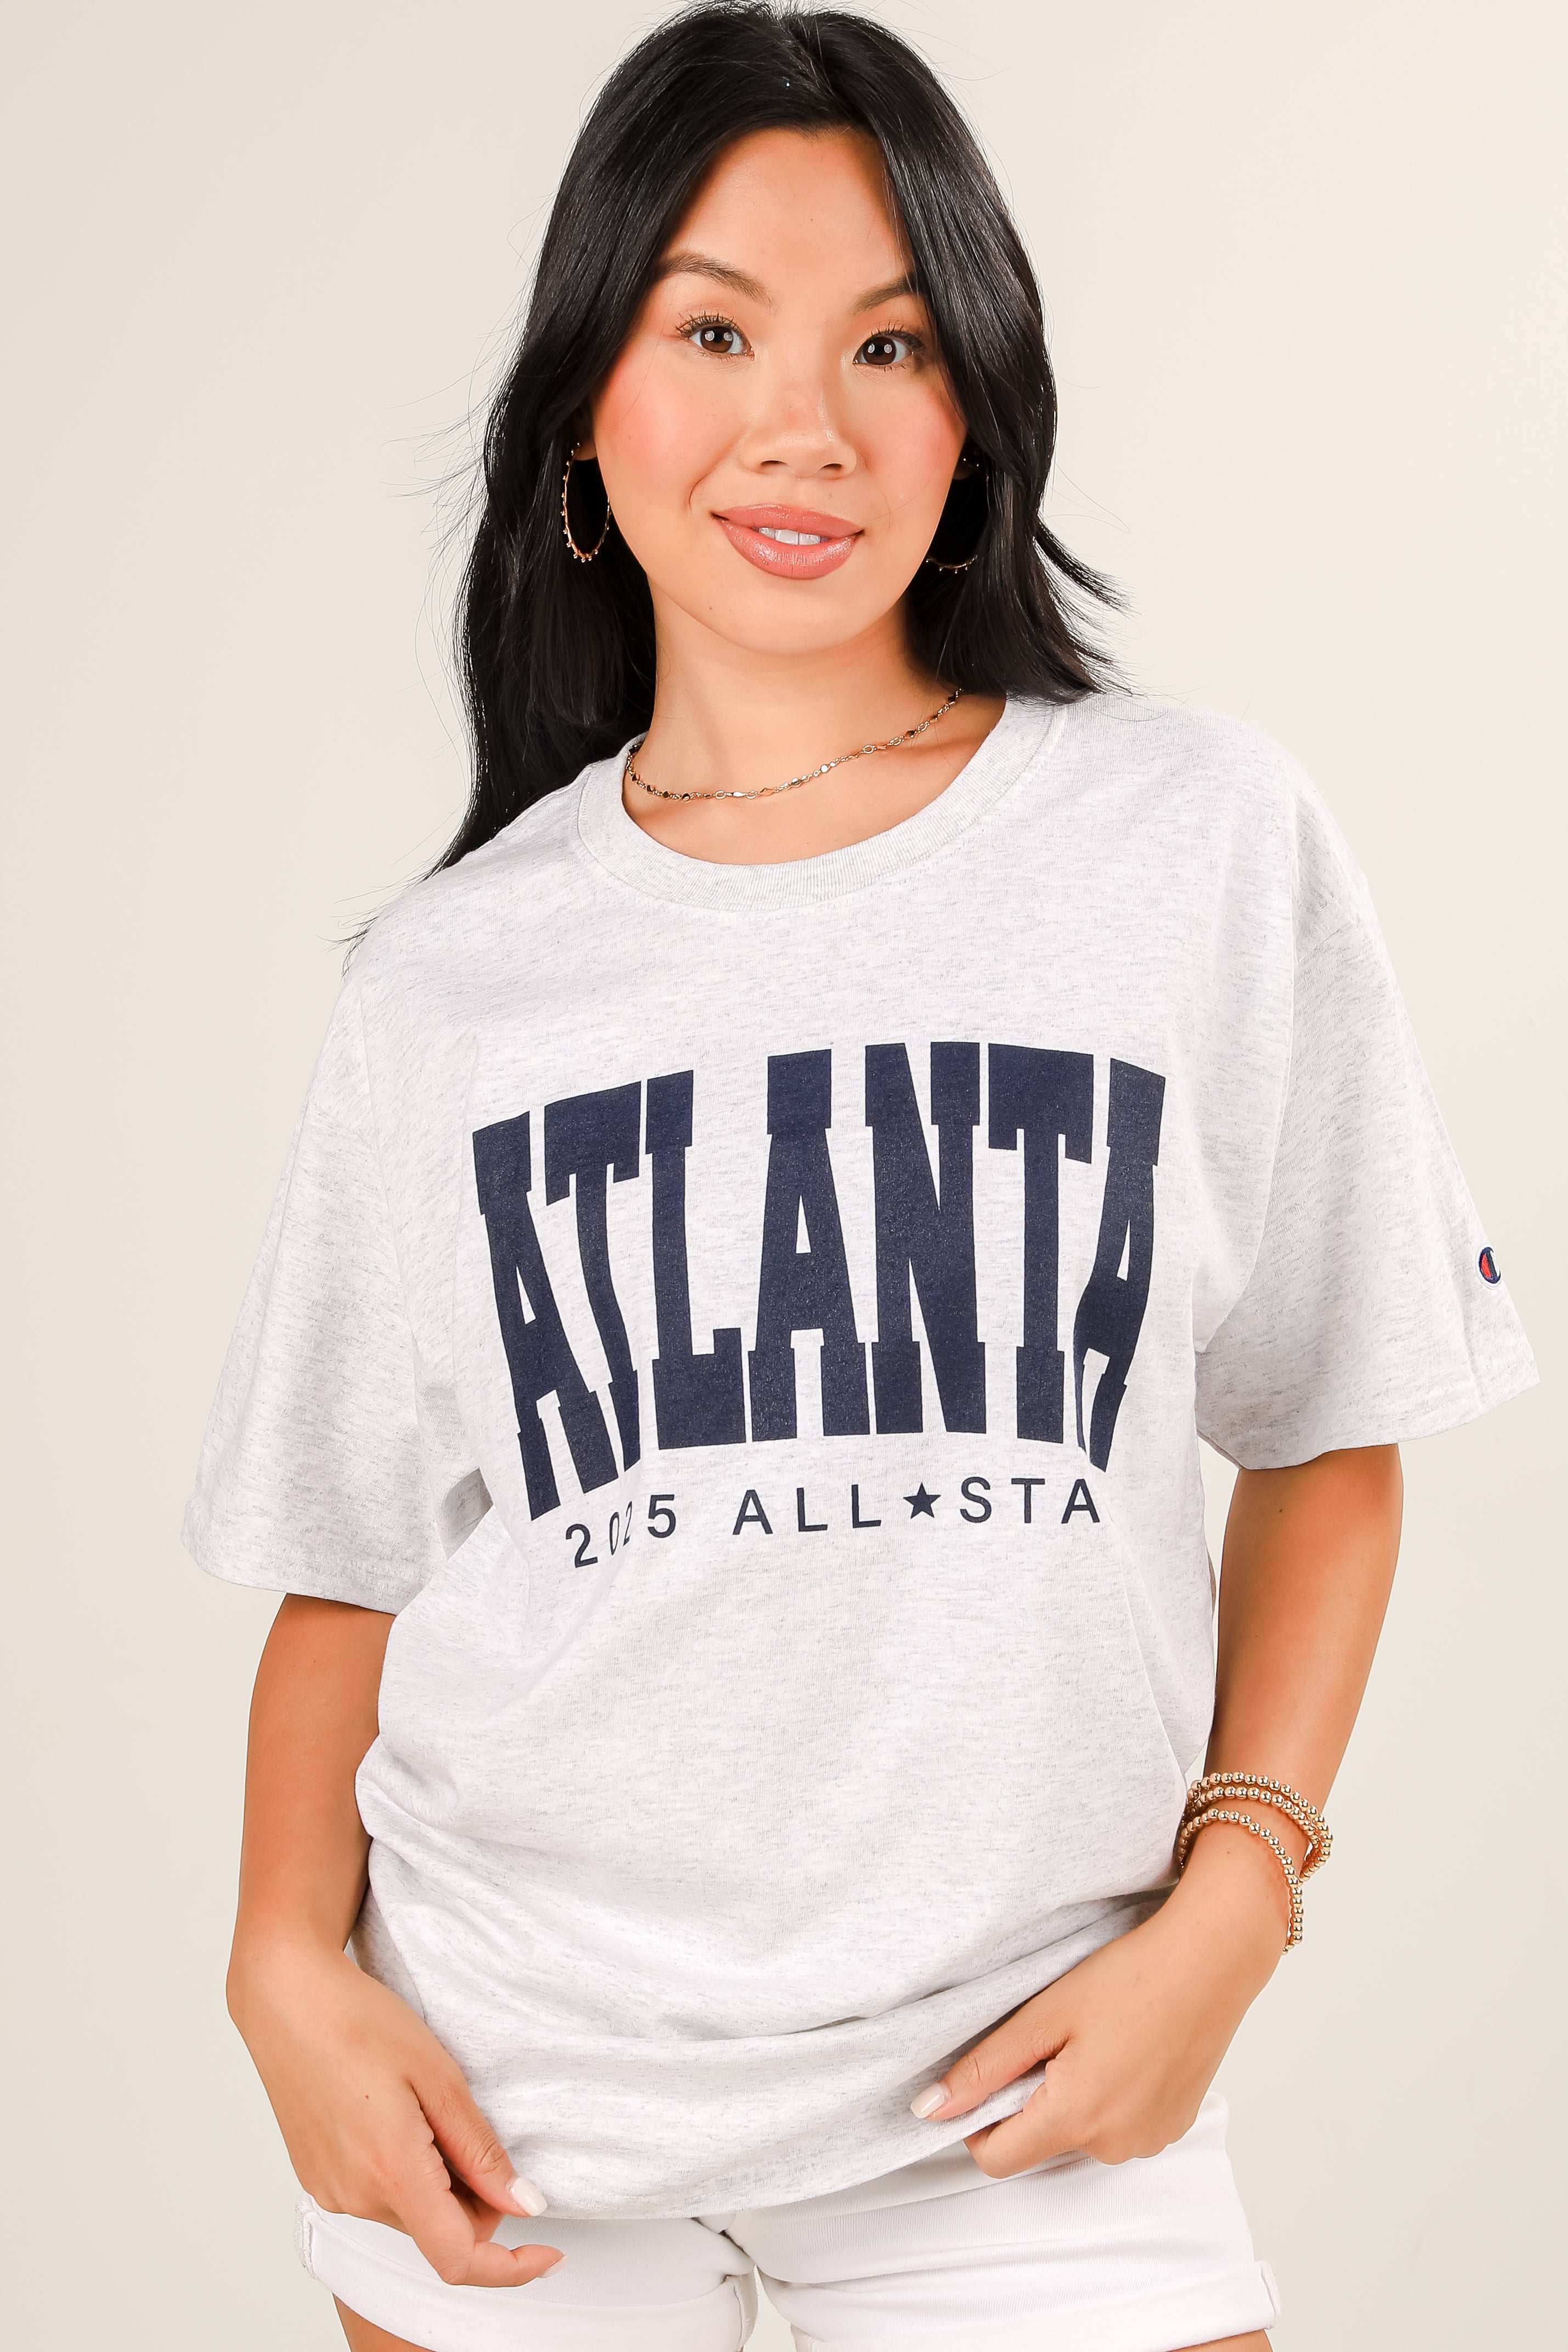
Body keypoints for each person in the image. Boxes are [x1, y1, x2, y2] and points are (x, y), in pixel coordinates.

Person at [185, 8, 1536, 2348]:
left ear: (976, 404)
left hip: (1028, 2098)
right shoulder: (451, 976)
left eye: (888, 343)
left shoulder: (1192, 841)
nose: (803, 424)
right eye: (713, 330)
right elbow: (353, 1564)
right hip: (508, 2116)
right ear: (584, 408)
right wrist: (278, 1971)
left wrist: (1237, 1900)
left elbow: (1331, 1425)